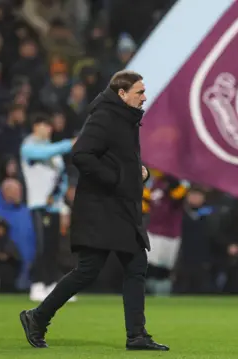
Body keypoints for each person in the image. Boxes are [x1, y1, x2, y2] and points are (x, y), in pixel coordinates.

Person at [19, 70, 169, 351]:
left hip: (120, 207)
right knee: (89, 270)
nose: (144, 96)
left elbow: (116, 160)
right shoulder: (104, 117)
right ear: (122, 94)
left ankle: (136, 335)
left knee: (136, 266)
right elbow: (81, 154)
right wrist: (118, 178)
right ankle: (37, 318)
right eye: (139, 91)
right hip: (101, 208)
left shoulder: (123, 118)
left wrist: (138, 173)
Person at [20, 113, 75, 301]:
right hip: (38, 204)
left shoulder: (55, 153)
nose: (48, 129)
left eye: (50, 126)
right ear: (35, 126)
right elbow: (44, 153)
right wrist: (69, 144)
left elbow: (62, 179)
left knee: (53, 247)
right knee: (41, 246)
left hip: (54, 206)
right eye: (45, 125)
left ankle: (51, 284)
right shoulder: (28, 147)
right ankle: (37, 284)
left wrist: (59, 201)